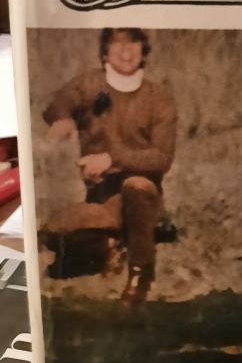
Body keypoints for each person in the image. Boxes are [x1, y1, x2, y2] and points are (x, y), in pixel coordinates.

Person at [43, 28, 177, 305]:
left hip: (143, 194)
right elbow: (59, 104)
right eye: (117, 44)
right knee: (51, 234)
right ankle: (110, 245)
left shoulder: (159, 98)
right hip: (103, 198)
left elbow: (162, 158)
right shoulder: (90, 84)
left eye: (133, 43)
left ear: (143, 51)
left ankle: (141, 273)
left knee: (136, 186)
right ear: (105, 52)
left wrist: (112, 159)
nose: (126, 51)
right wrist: (63, 119)